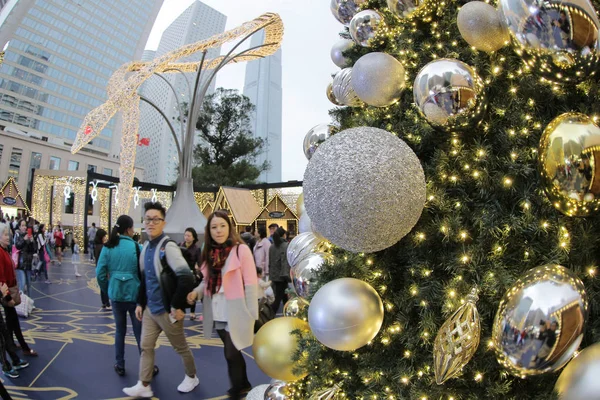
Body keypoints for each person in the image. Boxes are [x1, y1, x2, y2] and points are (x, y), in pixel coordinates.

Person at [123, 202, 198, 398]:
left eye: (156, 219)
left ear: (163, 223)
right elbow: (143, 278)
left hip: (168, 310)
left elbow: (186, 277)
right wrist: (140, 303)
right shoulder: (146, 246)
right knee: (146, 347)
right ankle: (144, 384)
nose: (151, 223)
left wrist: (176, 305)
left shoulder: (168, 247)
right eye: (148, 219)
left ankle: (192, 377)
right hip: (150, 309)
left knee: (180, 347)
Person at [187, 210, 258, 399]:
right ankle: (243, 384)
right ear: (209, 231)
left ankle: (236, 389)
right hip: (215, 309)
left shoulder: (240, 250)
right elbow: (206, 281)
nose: (218, 230)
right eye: (214, 227)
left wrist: (252, 313)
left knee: (230, 353)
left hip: (236, 310)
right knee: (232, 354)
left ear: (229, 227)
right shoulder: (208, 252)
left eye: (222, 226)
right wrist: (196, 292)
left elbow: (251, 283)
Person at [96, 215, 143, 376]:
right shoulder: (137, 248)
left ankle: (120, 364)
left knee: (119, 331)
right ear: (128, 229)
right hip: (134, 296)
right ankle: (146, 366)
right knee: (139, 333)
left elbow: (100, 273)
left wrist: (108, 288)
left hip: (116, 295)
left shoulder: (108, 247)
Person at [0, 222, 32, 380]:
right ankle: (7, 363)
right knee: (3, 332)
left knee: (7, 329)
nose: (8, 237)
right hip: (4, 294)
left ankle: (13, 357)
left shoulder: (4, 250)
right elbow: (0, 279)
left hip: (7, 292)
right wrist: (7, 298)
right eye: (5, 235)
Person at [179, 228, 202, 321]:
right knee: (180, 291)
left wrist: (198, 271)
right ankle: (180, 309)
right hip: (180, 271)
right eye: (185, 235)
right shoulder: (180, 245)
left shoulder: (196, 249)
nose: (187, 238)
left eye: (189, 236)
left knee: (192, 291)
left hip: (191, 273)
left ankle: (192, 312)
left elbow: (200, 262)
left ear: (193, 238)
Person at [268, 227, 290, 314]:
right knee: (278, 299)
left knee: (283, 296)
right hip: (282, 276)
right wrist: (286, 274)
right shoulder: (285, 246)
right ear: (283, 235)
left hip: (274, 276)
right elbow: (285, 261)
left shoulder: (272, 247)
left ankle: (287, 313)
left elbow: (270, 262)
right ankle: (269, 315)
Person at [14, 221, 36, 297]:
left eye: (25, 225)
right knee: (22, 284)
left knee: (29, 284)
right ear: (19, 227)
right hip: (20, 263)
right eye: (22, 225)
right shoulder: (18, 235)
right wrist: (24, 239)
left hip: (28, 263)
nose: (24, 227)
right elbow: (17, 246)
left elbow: (33, 250)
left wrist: (32, 241)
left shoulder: (29, 236)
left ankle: (29, 302)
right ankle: (21, 302)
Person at [94, 229, 111, 310]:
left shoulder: (97, 246)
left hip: (99, 267)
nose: (105, 238)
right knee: (105, 285)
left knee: (102, 285)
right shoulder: (102, 247)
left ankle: (104, 302)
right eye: (104, 236)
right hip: (103, 268)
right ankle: (107, 303)